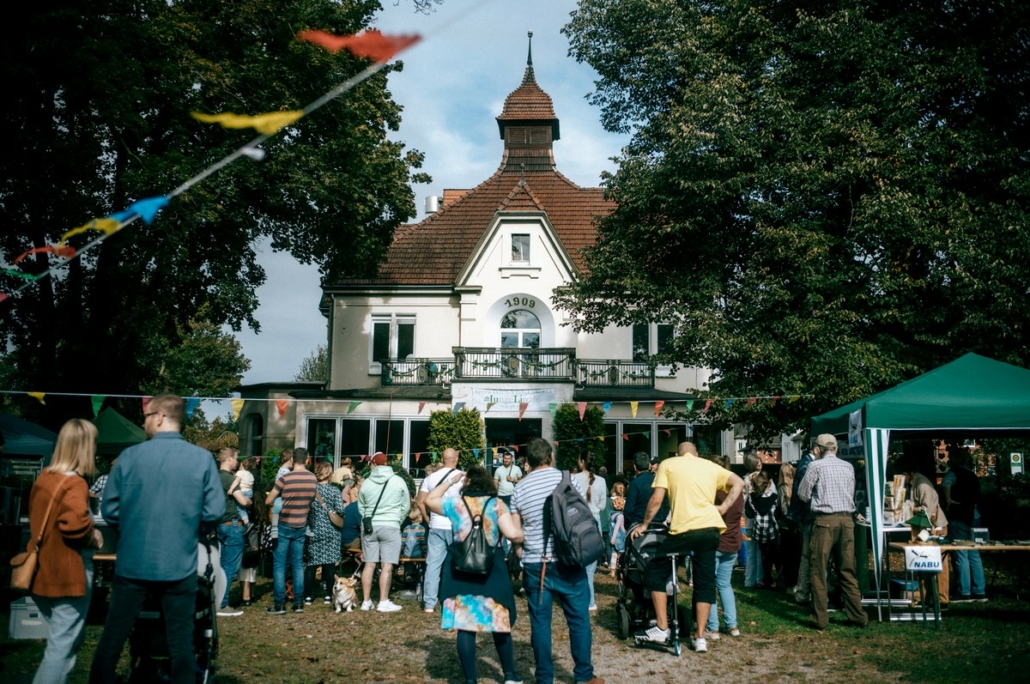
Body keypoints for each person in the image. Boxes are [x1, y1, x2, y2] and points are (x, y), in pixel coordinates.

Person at [90, 394, 224, 684]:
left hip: (133, 562)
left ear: (161, 417)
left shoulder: (129, 457)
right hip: (179, 563)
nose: (143, 422)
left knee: (113, 638)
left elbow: (110, 508)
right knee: (181, 643)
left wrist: (134, 527)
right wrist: (189, 530)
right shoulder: (201, 459)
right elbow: (214, 511)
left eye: (147, 416)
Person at [630, 441, 743, 654]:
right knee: (704, 581)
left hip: (684, 529)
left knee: (654, 571)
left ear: (678, 454)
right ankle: (700, 637)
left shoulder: (668, 464)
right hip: (710, 530)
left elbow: (656, 499)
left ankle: (662, 627)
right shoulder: (710, 466)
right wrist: (723, 507)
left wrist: (644, 525)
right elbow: (739, 483)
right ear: (696, 454)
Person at [510, 438, 603, 684]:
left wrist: (521, 554)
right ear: (551, 456)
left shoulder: (519, 489)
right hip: (568, 560)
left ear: (527, 462)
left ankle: (544, 678)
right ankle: (583, 675)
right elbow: (581, 515)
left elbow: (515, 531)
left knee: (540, 623)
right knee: (578, 619)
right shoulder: (568, 479)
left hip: (535, 563)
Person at [425, 465, 525, 684]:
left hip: (460, 569)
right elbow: (512, 533)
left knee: (465, 626)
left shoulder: (456, 504)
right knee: (499, 623)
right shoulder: (497, 505)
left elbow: (430, 499)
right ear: (488, 483)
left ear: (467, 483)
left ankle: (471, 680)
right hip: (491, 569)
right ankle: (509, 675)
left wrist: (451, 481)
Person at [29, 419, 104, 684]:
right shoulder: (75, 483)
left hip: (41, 573)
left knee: (67, 643)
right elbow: (73, 525)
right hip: (68, 574)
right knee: (60, 649)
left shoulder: (45, 478)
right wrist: (93, 534)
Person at [796, 434, 868, 630]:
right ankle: (858, 616)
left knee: (818, 570)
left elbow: (802, 495)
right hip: (847, 521)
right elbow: (851, 493)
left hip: (824, 521)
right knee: (847, 570)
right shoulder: (848, 467)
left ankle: (819, 618)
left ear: (818, 449)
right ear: (835, 448)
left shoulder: (815, 466)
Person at [264, 447, 317, 614]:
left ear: (292, 460)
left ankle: (279, 604)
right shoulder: (312, 478)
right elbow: (312, 500)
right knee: (298, 564)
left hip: (284, 524)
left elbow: (269, 500)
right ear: (308, 460)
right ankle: (298, 602)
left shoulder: (285, 478)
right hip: (301, 524)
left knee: (279, 565)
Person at [357, 452, 410, 612]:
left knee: (369, 564)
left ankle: (366, 601)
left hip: (370, 526)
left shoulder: (366, 482)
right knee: (387, 566)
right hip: (391, 525)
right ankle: (383, 601)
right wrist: (397, 520)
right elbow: (406, 506)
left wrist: (368, 518)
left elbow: (361, 506)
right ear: (387, 464)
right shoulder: (398, 480)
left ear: (373, 464)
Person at [417, 447, 464, 613]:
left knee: (433, 565)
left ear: (442, 459)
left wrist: (427, 518)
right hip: (456, 525)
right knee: (456, 564)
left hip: (436, 525)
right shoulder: (462, 477)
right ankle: (452, 600)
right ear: (455, 460)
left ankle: (429, 603)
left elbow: (420, 501)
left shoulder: (430, 478)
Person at [900, 454, 950, 609]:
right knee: (923, 561)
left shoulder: (922, 484)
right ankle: (923, 596)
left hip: (935, 527)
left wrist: (908, 508)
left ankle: (942, 599)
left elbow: (927, 511)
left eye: (902, 475)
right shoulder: (914, 483)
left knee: (939, 564)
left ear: (908, 473)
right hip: (924, 528)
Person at [705, 455, 744, 640]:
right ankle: (732, 625)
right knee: (725, 584)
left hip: (716, 541)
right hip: (733, 541)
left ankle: (713, 628)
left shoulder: (715, 492)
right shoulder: (737, 493)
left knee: (710, 584)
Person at [789, 436, 829, 604]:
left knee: (808, 555)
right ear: (816, 449)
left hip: (807, 515)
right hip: (810, 516)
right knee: (809, 555)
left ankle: (805, 591)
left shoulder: (807, 463)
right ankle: (806, 592)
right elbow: (807, 494)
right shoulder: (808, 465)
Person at [943, 448, 986, 601]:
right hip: (974, 515)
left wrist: (948, 502)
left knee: (961, 553)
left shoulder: (953, 473)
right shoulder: (973, 475)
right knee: (974, 553)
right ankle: (979, 590)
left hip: (958, 515)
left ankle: (964, 591)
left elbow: (945, 485)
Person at [215, 446, 251, 614]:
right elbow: (242, 501)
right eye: (236, 458)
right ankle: (223, 604)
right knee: (230, 567)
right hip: (232, 524)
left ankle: (216, 600)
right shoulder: (229, 479)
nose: (237, 462)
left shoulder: (214, 477)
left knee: (222, 565)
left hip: (220, 524)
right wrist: (248, 502)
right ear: (229, 458)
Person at [305, 461, 345, 605]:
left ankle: (308, 596)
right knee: (329, 564)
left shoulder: (310, 490)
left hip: (313, 529)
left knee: (312, 564)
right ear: (329, 473)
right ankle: (328, 595)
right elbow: (341, 510)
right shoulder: (334, 491)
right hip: (331, 530)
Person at [572, 453, 607, 611]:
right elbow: (602, 506)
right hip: (594, 521)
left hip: (577, 522)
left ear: (581, 461)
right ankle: (590, 600)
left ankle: (578, 598)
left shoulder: (574, 479)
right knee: (590, 567)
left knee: (576, 562)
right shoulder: (602, 481)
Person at [744, 469, 781, 590]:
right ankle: (770, 580)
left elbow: (748, 514)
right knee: (773, 556)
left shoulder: (752, 498)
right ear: (769, 483)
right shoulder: (775, 497)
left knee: (763, 556)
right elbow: (778, 514)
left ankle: (765, 580)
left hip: (758, 531)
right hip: (772, 530)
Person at [238, 480, 270, 607]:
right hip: (257, 533)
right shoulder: (259, 499)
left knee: (244, 565)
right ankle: (251, 593)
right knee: (252, 565)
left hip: (245, 533)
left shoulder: (243, 499)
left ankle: (245, 597)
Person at [741, 452, 769, 588]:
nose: (760, 464)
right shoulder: (760, 479)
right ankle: (759, 579)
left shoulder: (744, 480)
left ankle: (749, 580)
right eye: (758, 463)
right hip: (759, 519)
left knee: (751, 552)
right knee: (759, 552)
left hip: (748, 518)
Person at [624, 451, 667, 530]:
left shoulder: (634, 484)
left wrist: (628, 525)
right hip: (659, 524)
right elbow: (666, 503)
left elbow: (629, 509)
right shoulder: (658, 480)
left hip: (639, 524)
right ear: (649, 465)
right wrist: (662, 518)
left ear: (634, 467)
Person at [228, 456, 257, 527]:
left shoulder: (240, 472)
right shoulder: (251, 475)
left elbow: (237, 481)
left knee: (239, 508)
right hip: (250, 492)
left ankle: (247, 523)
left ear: (242, 464)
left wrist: (231, 489)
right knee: (244, 509)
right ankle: (246, 520)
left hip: (243, 491)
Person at [608, 482, 627, 577]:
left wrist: (612, 538)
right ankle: (619, 569)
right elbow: (618, 528)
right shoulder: (620, 516)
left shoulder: (612, 515)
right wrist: (614, 538)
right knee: (620, 554)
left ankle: (612, 570)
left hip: (613, 536)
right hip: (620, 537)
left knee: (614, 554)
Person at [341, 481, 363, 551]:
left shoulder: (351, 506)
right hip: (350, 541)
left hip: (343, 538)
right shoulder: (359, 508)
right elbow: (363, 529)